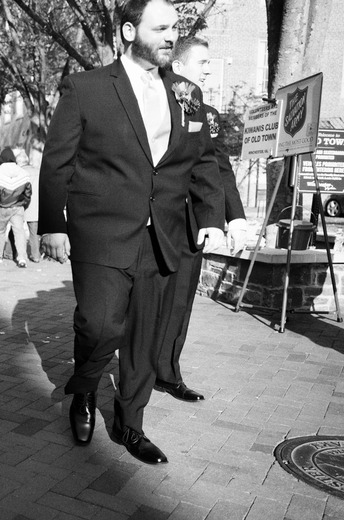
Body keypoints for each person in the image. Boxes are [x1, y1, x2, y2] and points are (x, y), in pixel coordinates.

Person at [38, 0, 225, 464]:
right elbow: (57, 160)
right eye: (159, 28)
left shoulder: (186, 93)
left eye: (174, 29)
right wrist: (51, 225)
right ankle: (84, 389)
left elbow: (201, 161)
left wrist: (214, 220)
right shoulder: (86, 88)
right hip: (100, 231)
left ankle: (130, 424)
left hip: (163, 234)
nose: (169, 36)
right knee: (101, 325)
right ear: (127, 31)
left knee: (145, 337)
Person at [155, 36, 248, 401]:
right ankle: (137, 368)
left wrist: (234, 218)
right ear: (178, 67)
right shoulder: (149, 101)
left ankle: (167, 371)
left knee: (179, 303)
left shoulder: (206, 113)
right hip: (153, 220)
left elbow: (219, 167)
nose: (209, 70)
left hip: (192, 226)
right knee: (145, 303)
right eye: (203, 63)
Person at [0, 147, 32, 268]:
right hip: (17, 207)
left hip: (1, 207)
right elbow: (28, 192)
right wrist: (24, 204)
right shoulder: (21, 172)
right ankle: (22, 257)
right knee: (19, 232)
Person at [17, 149, 42, 263]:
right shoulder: (38, 171)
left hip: (21, 205)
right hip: (35, 206)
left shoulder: (19, 172)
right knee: (34, 233)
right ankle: (36, 255)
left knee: (16, 230)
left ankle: (10, 253)